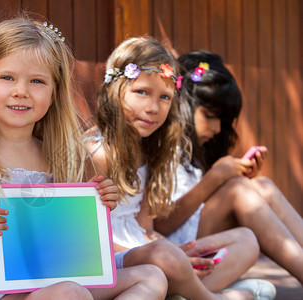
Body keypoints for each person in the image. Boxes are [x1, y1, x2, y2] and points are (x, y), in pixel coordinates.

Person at [0, 17, 168, 300]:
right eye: (7, 77)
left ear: (53, 93)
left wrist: (98, 206)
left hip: (50, 281)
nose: (21, 90)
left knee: (151, 276)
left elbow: (72, 242)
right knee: (70, 293)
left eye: (37, 81)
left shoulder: (60, 158)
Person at [86, 36, 276, 299]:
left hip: (145, 252)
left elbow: (145, 228)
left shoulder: (149, 152)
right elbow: (86, 241)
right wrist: (165, 255)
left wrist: (181, 255)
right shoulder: (96, 154)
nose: (153, 108)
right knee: (166, 255)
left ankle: (184, 290)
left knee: (246, 240)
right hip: (110, 259)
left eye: (165, 97)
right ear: (115, 90)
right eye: (141, 92)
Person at [154, 50, 303, 284]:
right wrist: (216, 178)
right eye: (210, 116)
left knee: (262, 185)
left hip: (196, 232)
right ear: (184, 106)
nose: (217, 128)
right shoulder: (162, 147)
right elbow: (160, 223)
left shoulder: (194, 152)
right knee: (238, 190)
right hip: (172, 245)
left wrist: (232, 177)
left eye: (223, 121)